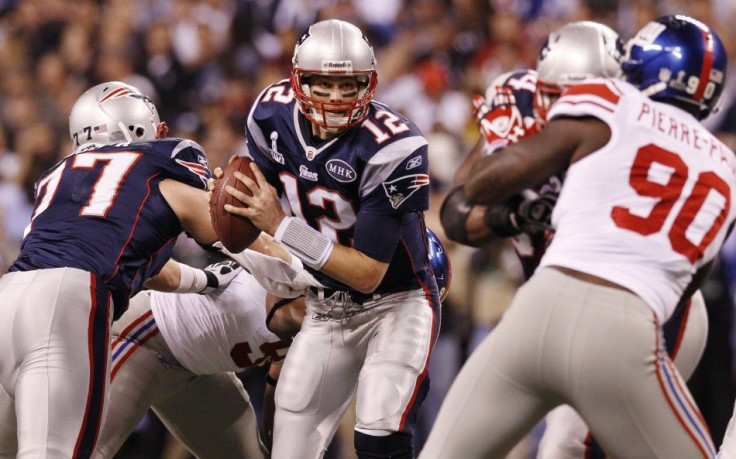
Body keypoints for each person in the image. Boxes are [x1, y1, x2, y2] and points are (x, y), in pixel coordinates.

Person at [422, 14, 734, 458]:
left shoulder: (607, 105)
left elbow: (471, 192)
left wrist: (520, 167)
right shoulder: (725, 162)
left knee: (558, 446)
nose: (558, 101)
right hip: (633, 309)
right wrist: (524, 213)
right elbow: (457, 216)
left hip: (586, 305)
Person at [223, 19, 441, 459]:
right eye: (324, 85)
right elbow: (255, 215)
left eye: (350, 85)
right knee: (289, 449)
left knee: (379, 435)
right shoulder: (269, 114)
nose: (338, 98)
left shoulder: (394, 146)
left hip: (395, 301)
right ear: (299, 80)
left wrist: (281, 226)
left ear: (370, 83)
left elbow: (367, 274)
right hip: (323, 305)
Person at [0, 81, 247, 457]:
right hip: (68, 300)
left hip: (10, 295)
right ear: (134, 126)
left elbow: (141, 266)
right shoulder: (159, 159)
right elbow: (218, 225)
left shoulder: (60, 174)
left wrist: (205, 279)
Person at [93, 260, 301, 459]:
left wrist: (278, 445)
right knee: (81, 449)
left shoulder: (320, 328)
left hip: (202, 371)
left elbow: (278, 384)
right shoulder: (293, 270)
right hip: (146, 337)